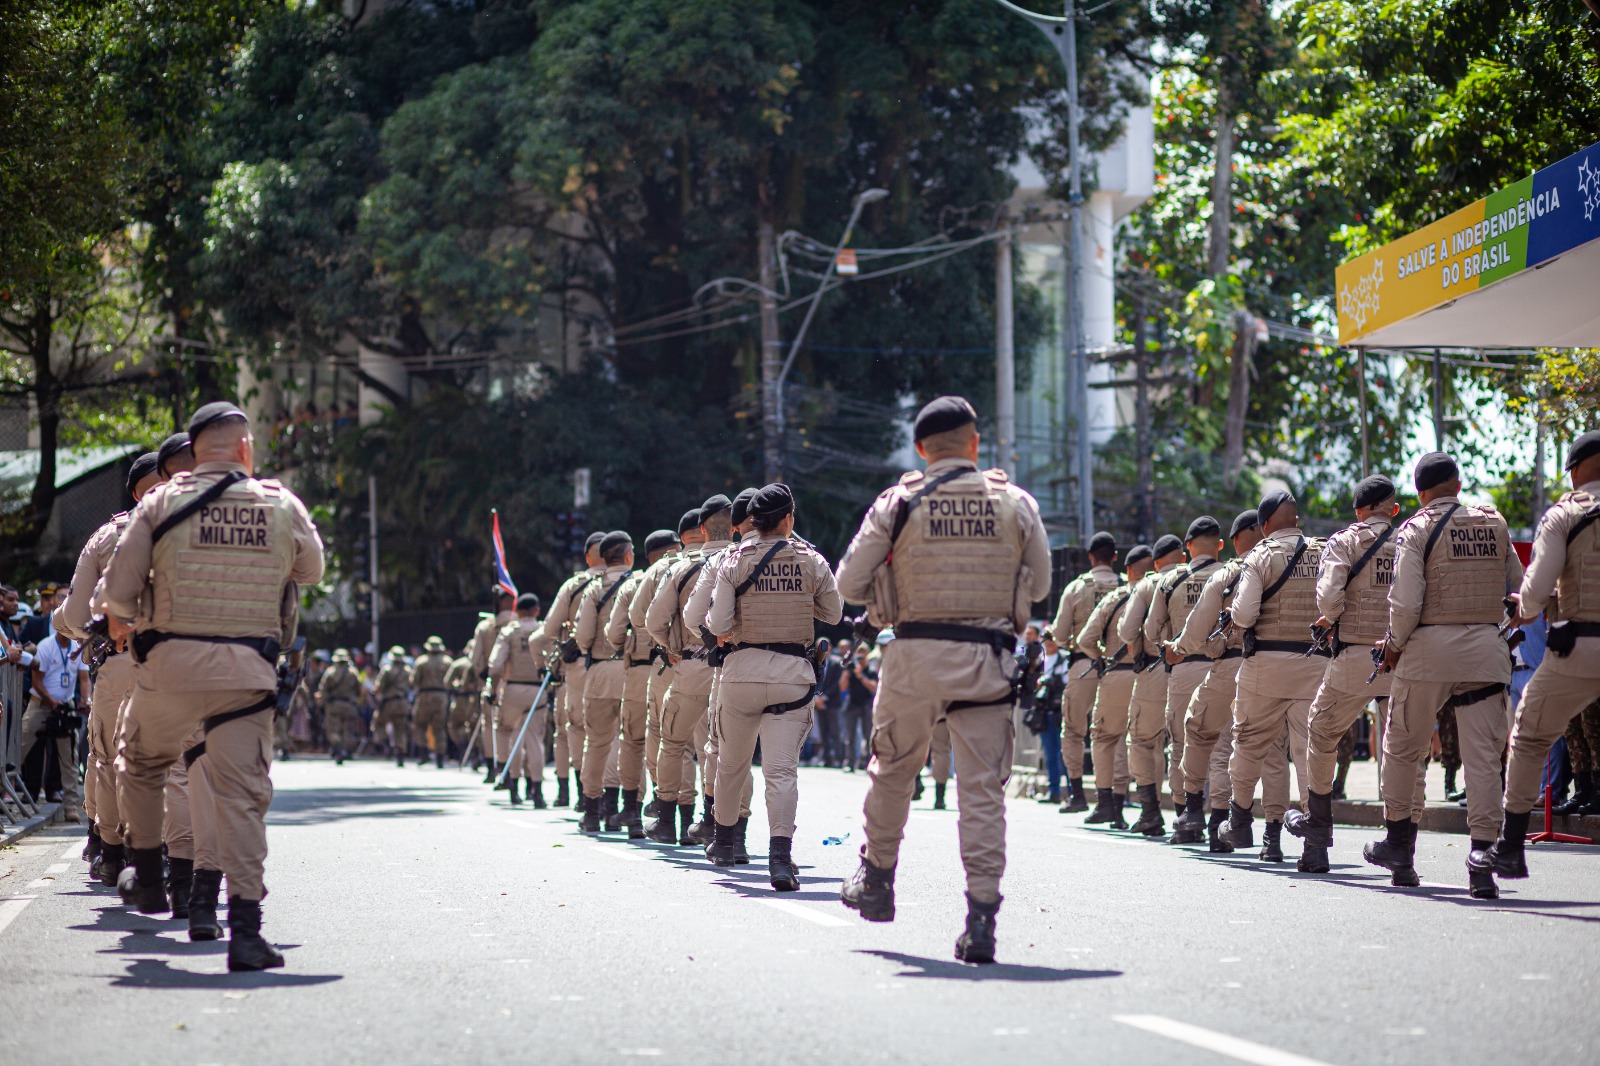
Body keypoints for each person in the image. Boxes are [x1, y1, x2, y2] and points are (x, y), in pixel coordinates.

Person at [102, 400, 324, 971]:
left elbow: (119, 596)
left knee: (142, 762)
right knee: (242, 799)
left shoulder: (158, 505)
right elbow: (311, 571)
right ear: (246, 449)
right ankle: (246, 934)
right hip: (248, 678)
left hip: (170, 670)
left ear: (193, 453)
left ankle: (148, 877)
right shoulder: (280, 504)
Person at [836, 395, 1051, 964]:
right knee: (981, 794)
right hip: (988, 662)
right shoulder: (1017, 503)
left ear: (920, 449)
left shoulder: (897, 504)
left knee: (893, 772)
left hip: (913, 659)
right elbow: (1043, 584)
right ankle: (981, 921)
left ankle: (877, 879)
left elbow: (848, 585)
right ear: (975, 444)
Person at [1365, 452, 1522, 898]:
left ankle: (1398, 848)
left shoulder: (1415, 528)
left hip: (1427, 652)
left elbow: (1407, 603)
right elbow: (1520, 589)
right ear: (1457, 482)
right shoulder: (1494, 522)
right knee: (1485, 759)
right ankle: (1481, 860)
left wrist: (1392, 648)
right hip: (1486, 653)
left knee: (1402, 749)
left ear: (1420, 492)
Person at [1472, 432, 1600, 883]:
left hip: (1582, 647)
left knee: (1527, 737)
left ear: (1578, 467)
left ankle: (1508, 849)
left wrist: (1523, 606)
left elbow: (1536, 590)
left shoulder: (1566, 514)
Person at [703, 483, 842, 888]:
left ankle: (724, 842)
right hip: (792, 678)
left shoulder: (734, 561)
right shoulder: (812, 560)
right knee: (781, 772)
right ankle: (780, 859)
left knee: (732, 764)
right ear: (788, 519)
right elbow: (833, 614)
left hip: (741, 675)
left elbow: (717, 624)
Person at [53, 450, 164, 879]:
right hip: (179, 665)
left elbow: (78, 617)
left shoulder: (107, 536)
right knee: (177, 763)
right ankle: (178, 858)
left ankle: (112, 851)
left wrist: (73, 628)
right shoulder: (192, 527)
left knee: (109, 757)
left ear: (133, 490)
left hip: (118, 661)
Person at [1284, 475, 1400, 872]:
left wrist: (1330, 617)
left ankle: (1317, 840)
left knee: (1321, 733)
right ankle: (1402, 854)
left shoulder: (1345, 540)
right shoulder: (1412, 538)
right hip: (1403, 657)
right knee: (1406, 750)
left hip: (1355, 657)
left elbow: (1330, 596)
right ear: (1394, 508)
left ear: (1358, 511)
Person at [1220, 490, 1326, 862]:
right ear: (1296, 519)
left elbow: (1246, 614)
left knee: (1249, 744)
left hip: (1266, 667)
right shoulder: (1323, 551)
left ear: (1264, 525)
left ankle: (1239, 820)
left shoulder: (1261, 555)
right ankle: (1315, 846)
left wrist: (1233, 613)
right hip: (1315, 664)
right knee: (1308, 752)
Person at [1171, 510, 1263, 850]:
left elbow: (1195, 629)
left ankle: (1194, 810)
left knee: (1195, 731)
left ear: (1235, 541)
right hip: (1278, 667)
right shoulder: (1293, 562)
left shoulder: (1228, 572)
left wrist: (1178, 648)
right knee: (1265, 752)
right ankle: (1269, 836)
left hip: (1226, 665)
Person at [643, 499, 726, 844]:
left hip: (690, 666)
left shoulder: (680, 568)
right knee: (723, 750)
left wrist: (671, 648)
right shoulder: (743, 559)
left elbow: (650, 620)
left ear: (701, 529)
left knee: (673, 743)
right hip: (734, 667)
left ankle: (665, 819)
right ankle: (724, 830)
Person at [1147, 517, 1225, 833]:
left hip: (1183, 667)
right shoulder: (1232, 574)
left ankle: (1186, 819)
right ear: (1220, 545)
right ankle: (1222, 826)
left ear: (1187, 547)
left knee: (1182, 744)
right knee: (1223, 747)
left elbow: (1151, 629)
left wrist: (1168, 644)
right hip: (1224, 667)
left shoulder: (1169, 582)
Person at [605, 528, 678, 832]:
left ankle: (632, 811)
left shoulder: (635, 582)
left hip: (638, 669)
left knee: (633, 742)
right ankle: (672, 812)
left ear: (642, 556)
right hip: (677, 666)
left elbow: (614, 634)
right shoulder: (691, 571)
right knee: (675, 742)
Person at [1077, 544, 1151, 828]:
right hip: (1153, 673)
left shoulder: (1114, 598)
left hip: (1117, 673)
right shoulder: (1160, 592)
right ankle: (1149, 810)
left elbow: (1085, 639)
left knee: (1106, 738)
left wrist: (1101, 657)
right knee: (1148, 742)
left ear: (1127, 569)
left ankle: (1108, 805)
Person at [1049, 532, 1121, 812]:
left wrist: (1066, 641)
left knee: (1073, 731)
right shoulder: (1125, 585)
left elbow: (1059, 633)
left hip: (1082, 666)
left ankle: (1076, 794)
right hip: (1119, 666)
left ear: (1091, 556)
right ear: (1115, 557)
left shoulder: (1076, 587)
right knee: (1117, 732)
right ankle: (1118, 795)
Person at [1120, 534, 1186, 836]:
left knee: (1145, 742)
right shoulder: (1198, 576)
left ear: (1157, 562)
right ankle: (1189, 817)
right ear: (1182, 557)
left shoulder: (1148, 584)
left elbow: (1127, 630)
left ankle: (1150, 814)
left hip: (1156, 668)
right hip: (1200, 667)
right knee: (1186, 744)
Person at [538, 531, 607, 808]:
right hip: (618, 665)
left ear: (588, 556)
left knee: (578, 729)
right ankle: (613, 800)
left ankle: (583, 796)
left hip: (578, 666)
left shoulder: (574, 585)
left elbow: (549, 628)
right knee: (614, 733)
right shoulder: (630, 581)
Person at [575, 532, 637, 832]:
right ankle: (625, 809)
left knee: (596, 744)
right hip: (632, 672)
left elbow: (583, 636)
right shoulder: (638, 584)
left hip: (599, 673)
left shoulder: (593, 589)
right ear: (628, 557)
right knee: (631, 743)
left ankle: (591, 811)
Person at [631, 516, 690, 818]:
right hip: (715, 664)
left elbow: (639, 618)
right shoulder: (720, 560)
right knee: (703, 743)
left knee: (663, 734)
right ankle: (702, 817)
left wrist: (668, 644)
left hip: (667, 663)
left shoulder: (657, 570)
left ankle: (664, 803)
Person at [21, 623, 88, 821]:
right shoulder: (46, 646)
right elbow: (36, 681)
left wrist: (86, 699)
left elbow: (84, 679)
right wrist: (51, 702)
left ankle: (70, 807)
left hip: (65, 707)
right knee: (19, 748)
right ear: (57, 627)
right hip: (40, 704)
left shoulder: (78, 646)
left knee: (70, 759)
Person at [487, 593, 549, 806]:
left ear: (518, 611)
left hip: (512, 689)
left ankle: (511, 784)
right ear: (537, 611)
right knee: (535, 740)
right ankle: (537, 791)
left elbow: (495, 666)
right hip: (538, 690)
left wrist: (493, 690)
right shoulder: (544, 630)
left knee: (508, 734)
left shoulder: (508, 632)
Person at [468, 588, 517, 780]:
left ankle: (491, 767)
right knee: (518, 728)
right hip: (515, 682)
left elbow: (475, 659)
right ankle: (517, 772)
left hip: (490, 683)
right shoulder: (520, 623)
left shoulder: (484, 627)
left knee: (489, 726)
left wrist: (485, 677)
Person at [1031, 632, 1071, 803]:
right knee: (1050, 754)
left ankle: (1071, 792)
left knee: (1066, 753)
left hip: (1060, 710)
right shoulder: (1041, 660)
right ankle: (1053, 790)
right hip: (1044, 710)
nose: (1049, 643)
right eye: (1046, 639)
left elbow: (1067, 682)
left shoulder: (1065, 659)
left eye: (1052, 639)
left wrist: (1049, 681)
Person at [410, 635, 453, 768]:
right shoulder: (448, 662)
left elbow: (414, 681)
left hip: (425, 696)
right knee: (439, 728)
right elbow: (452, 680)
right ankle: (440, 758)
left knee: (420, 725)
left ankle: (424, 753)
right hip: (441, 697)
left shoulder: (421, 661)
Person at [839, 642, 878, 772]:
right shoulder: (851, 669)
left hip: (866, 705)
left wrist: (861, 676)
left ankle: (867, 762)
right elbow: (842, 687)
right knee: (850, 736)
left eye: (863, 654)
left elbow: (874, 687)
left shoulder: (871, 671)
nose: (860, 657)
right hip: (852, 705)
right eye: (859, 654)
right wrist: (847, 672)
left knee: (868, 736)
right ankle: (849, 762)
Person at [318, 650, 362, 762]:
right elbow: (359, 690)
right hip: (349, 705)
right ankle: (346, 750)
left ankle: (338, 747)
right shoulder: (353, 673)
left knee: (333, 730)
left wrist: (322, 704)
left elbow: (323, 690)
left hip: (334, 704)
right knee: (348, 729)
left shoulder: (330, 672)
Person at [373, 646, 413, 766]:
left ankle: (384, 744)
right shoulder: (408, 671)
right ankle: (400, 753)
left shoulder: (386, 670)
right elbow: (412, 685)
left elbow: (378, 688)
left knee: (378, 723)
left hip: (389, 703)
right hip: (402, 703)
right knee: (400, 729)